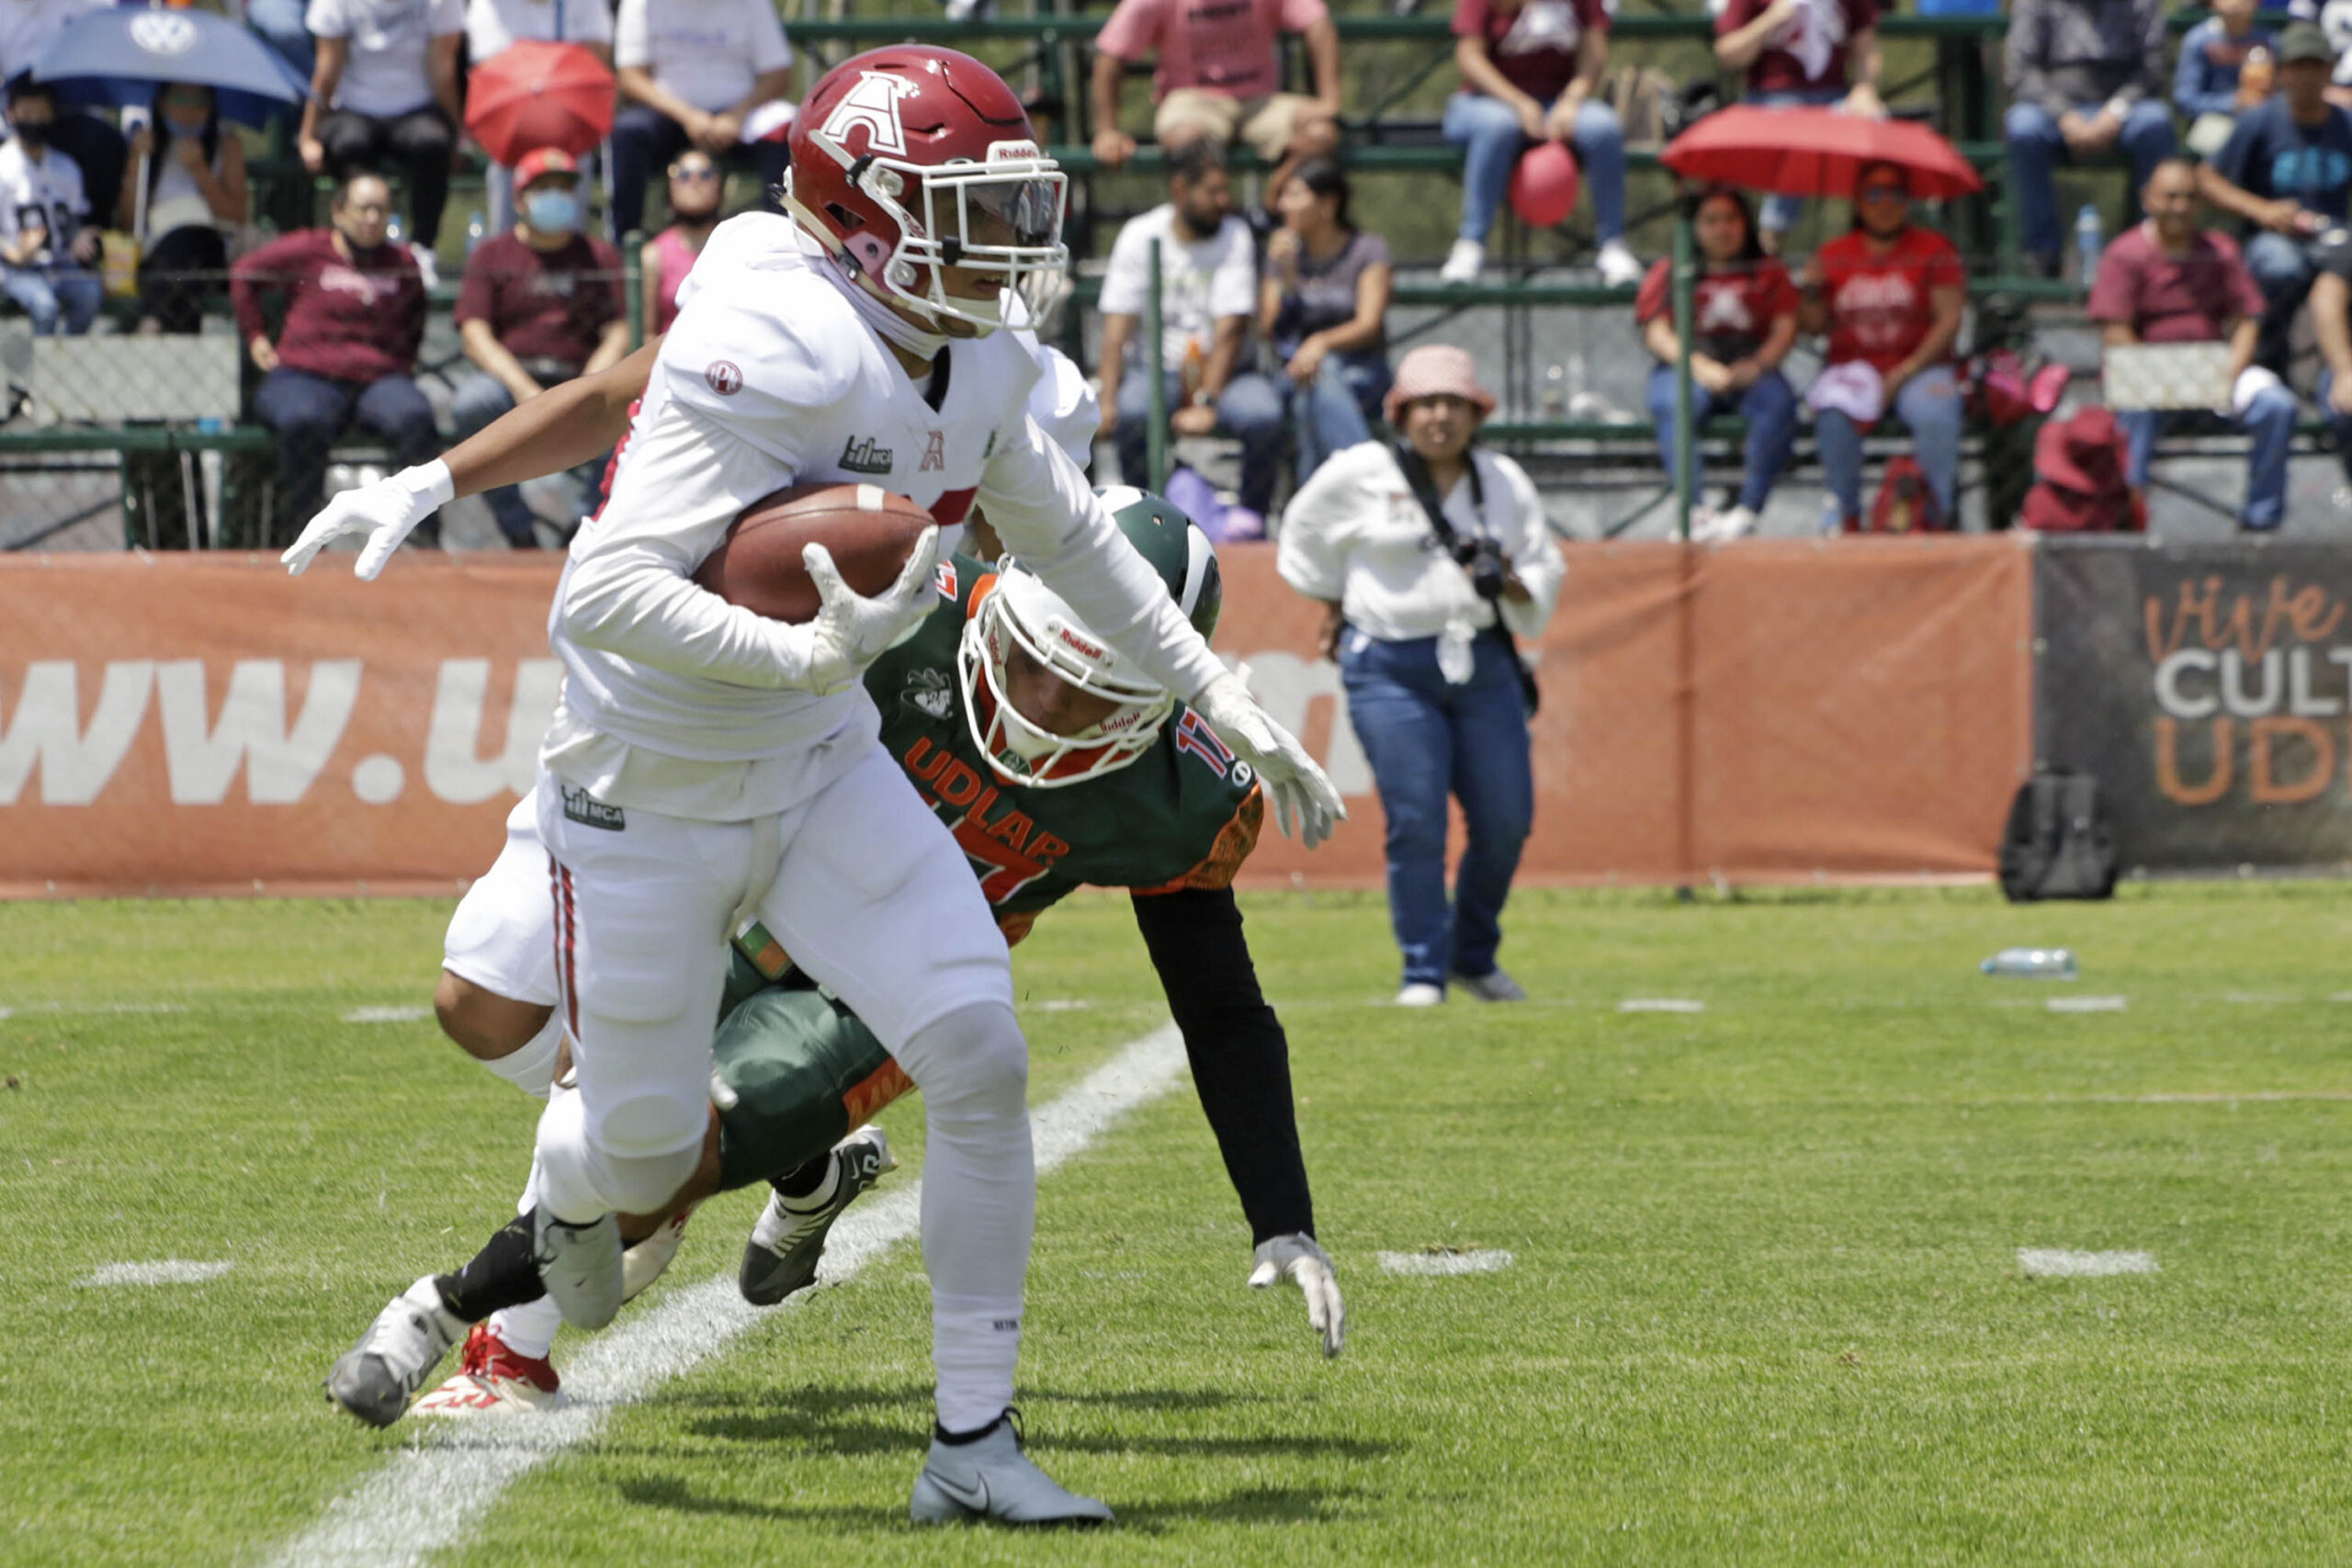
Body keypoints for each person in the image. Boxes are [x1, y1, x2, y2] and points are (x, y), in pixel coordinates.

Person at [279, 46, 1340, 1527]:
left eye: (1006, 206)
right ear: (865, 214)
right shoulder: (770, 335)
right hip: (650, 784)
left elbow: (1076, 535)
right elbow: (603, 598)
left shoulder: (963, 353)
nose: (1004, 245)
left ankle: (974, 1440)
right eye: (963, 209)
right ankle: (558, 1222)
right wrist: (807, 651)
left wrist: (1223, 691)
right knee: (634, 1140)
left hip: (825, 757)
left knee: (980, 1046)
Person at [323, 492, 1346, 1426]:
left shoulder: (1178, 798)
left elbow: (1219, 1009)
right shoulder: (904, 613)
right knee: (515, 1033)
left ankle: (461, 1324)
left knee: (651, 1169)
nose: (1042, 703)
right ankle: (808, 1173)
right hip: (752, 882)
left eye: (1089, 691)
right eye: (1032, 659)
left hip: (886, 987)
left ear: (1162, 700)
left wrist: (1281, 1217)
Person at [1277, 344, 1564, 1009]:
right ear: (1402, 412)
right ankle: (1424, 971)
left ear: (1475, 412)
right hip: (1388, 665)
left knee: (1506, 819)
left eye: (1455, 404)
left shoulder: (1503, 480)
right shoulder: (1360, 471)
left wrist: (1509, 577)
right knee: (1417, 820)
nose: (1441, 417)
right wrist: (1334, 599)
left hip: (1483, 660)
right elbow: (1302, 534)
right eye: (1427, 404)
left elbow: (1544, 567)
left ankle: (1472, 953)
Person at [232, 173, 437, 547]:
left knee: (416, 417)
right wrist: (256, 336)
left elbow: (416, 317)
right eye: (363, 209)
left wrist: (401, 365)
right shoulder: (307, 249)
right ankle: (304, 534)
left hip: (378, 381)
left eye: (381, 210)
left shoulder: (401, 262)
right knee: (303, 420)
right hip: (305, 375)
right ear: (339, 212)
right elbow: (245, 273)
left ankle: (424, 537)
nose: (372, 218)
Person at [2089, 156, 2290, 533]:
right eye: (2170, 196)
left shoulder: (2221, 249)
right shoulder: (2124, 253)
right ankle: (2131, 522)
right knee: (2134, 405)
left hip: (2216, 371)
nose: (2180, 207)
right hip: (2148, 377)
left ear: (2201, 203)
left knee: (2276, 405)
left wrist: (2231, 370)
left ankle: (2261, 522)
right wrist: (2162, 378)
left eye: (2189, 197)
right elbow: (2117, 332)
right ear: (2147, 198)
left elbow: (2248, 319)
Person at [1097, 140, 1285, 537]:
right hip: (1158, 370)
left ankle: (1251, 520)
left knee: (1262, 415)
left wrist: (1207, 400)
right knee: (1132, 413)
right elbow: (1117, 327)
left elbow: (1231, 328)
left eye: (1226, 189)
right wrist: (1108, 398)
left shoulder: (1235, 234)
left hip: (1228, 374)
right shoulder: (1139, 234)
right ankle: (1144, 519)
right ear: (1180, 188)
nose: (1224, 200)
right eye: (1213, 191)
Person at [449, 148, 628, 550]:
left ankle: (582, 527)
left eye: (564, 188)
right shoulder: (492, 254)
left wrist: (586, 388)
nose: (556, 197)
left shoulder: (598, 255)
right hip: (511, 381)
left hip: (581, 379)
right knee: (471, 403)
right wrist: (524, 390)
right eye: (543, 188)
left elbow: (617, 332)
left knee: (631, 415)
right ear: (518, 200)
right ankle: (519, 531)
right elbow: (475, 333)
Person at [1799, 161, 1966, 533]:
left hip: (1921, 367)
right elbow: (1813, 329)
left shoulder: (1934, 249)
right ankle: (1847, 517)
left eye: (1896, 193)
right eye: (1874, 193)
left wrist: (1905, 371)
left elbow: (1949, 320)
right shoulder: (1833, 253)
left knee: (1938, 413)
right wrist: (1810, 291)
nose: (1885, 202)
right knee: (1832, 417)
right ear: (1858, 202)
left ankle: (1935, 515)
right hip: (1852, 371)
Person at [1634, 186, 1800, 541]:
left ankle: (1747, 511)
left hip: (1751, 364)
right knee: (1673, 403)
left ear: (1746, 224)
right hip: (1689, 364)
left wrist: (1757, 365)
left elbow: (1786, 328)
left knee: (1779, 404)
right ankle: (1694, 512)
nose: (1722, 229)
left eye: (1731, 219)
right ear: (1694, 226)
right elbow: (1657, 333)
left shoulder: (1767, 271)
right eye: (1711, 220)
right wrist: (1700, 367)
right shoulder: (1671, 270)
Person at [1441, 0, 1639, 288]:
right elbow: (1469, 58)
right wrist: (1518, 103)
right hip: (1485, 103)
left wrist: (1571, 100)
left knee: (1604, 128)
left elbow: (1593, 52)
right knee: (1498, 127)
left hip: (1559, 101)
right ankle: (1470, 244)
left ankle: (1613, 244)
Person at [1088, 0, 1340, 216]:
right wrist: (1107, 131)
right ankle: (1217, 221)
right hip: (1192, 99)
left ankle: (1273, 204)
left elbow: (1318, 23)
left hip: (1260, 99)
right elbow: (1110, 55)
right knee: (1184, 142)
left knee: (1321, 134)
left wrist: (1329, 98)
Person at [2200, 22, 2352, 373]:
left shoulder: (2345, 125)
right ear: (2282, 72)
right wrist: (2261, 209)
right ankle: (2269, 359)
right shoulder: (2260, 120)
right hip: (2271, 239)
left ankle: (2334, 378)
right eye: (2298, 67)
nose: (2307, 76)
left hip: (2335, 238)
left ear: (2330, 70)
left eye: (2316, 66)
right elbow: (2207, 179)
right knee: (2280, 265)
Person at [2003, 0, 2175, 279]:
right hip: (2053, 106)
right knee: (2022, 127)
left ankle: (2151, 246)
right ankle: (2043, 255)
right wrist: (2065, 115)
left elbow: (2153, 68)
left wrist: (2116, 111)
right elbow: (2021, 69)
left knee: (2156, 122)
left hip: (2126, 105)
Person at [609, 0, 793, 243]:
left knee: (785, 128)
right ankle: (625, 247)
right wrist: (688, 116)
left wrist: (736, 116)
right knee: (628, 131)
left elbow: (778, 73)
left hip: (740, 114)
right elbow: (630, 78)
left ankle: (783, 243)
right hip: (668, 113)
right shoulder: (640, 4)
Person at [298, 0, 465, 265]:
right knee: (347, 145)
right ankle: (355, 249)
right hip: (354, 109)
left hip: (417, 109)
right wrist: (308, 136)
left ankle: (422, 251)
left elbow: (442, 69)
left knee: (433, 144)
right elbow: (327, 69)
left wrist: (457, 134)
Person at [1257, 158, 1392, 488]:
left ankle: (1312, 508)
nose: (1283, 205)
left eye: (1295, 195)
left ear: (1328, 204)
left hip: (1363, 371)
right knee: (1314, 383)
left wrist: (1321, 344)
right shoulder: (1282, 254)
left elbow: (1369, 323)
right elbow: (1265, 330)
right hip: (1293, 374)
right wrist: (1286, 278)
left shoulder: (1368, 250)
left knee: (1313, 394)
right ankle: (1372, 485)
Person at [1713, 0, 1884, 253]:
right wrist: (1770, 19)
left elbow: (1867, 47)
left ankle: (1881, 242)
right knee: (1800, 143)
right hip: (1770, 98)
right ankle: (1770, 241)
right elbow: (1727, 53)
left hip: (1834, 97)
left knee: (1881, 130)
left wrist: (1865, 89)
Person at [466, 0, 615, 236]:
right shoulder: (487, 6)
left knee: (581, 156)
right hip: (514, 116)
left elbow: (596, 64)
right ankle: (505, 245)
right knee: (502, 161)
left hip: (568, 119)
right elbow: (490, 73)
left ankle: (573, 249)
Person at [119, 82, 248, 335]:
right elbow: (128, 220)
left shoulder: (227, 143)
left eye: (200, 102)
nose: (190, 111)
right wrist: (137, 159)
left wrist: (201, 172)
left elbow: (237, 217)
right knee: (178, 254)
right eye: (180, 100)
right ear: (162, 104)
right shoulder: (146, 144)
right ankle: (160, 324)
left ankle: (153, 321)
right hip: (156, 253)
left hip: (212, 249)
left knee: (192, 236)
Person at [0, 0, 127, 223]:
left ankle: (93, 234)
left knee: (103, 142)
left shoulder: (85, 4)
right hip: (12, 115)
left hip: (66, 110)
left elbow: (113, 30)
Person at [0, 79, 99, 335]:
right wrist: (14, 253)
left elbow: (75, 219)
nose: (34, 121)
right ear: (11, 114)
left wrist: (82, 237)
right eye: (27, 113)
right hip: (13, 268)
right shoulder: (3, 166)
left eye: (41, 114)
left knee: (90, 295)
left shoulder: (66, 167)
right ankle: (39, 371)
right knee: (45, 307)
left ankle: (64, 360)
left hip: (59, 263)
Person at [2176, 0, 2278, 158]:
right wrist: (2233, 103)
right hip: (2214, 120)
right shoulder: (2197, 40)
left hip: (2263, 119)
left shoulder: (2270, 41)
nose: (2236, 3)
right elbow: (2185, 99)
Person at [642, 148, 720, 335]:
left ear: (720, 185)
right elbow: (646, 333)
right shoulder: (652, 255)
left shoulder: (739, 247)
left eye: (705, 174)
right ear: (670, 187)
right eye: (683, 175)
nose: (694, 182)